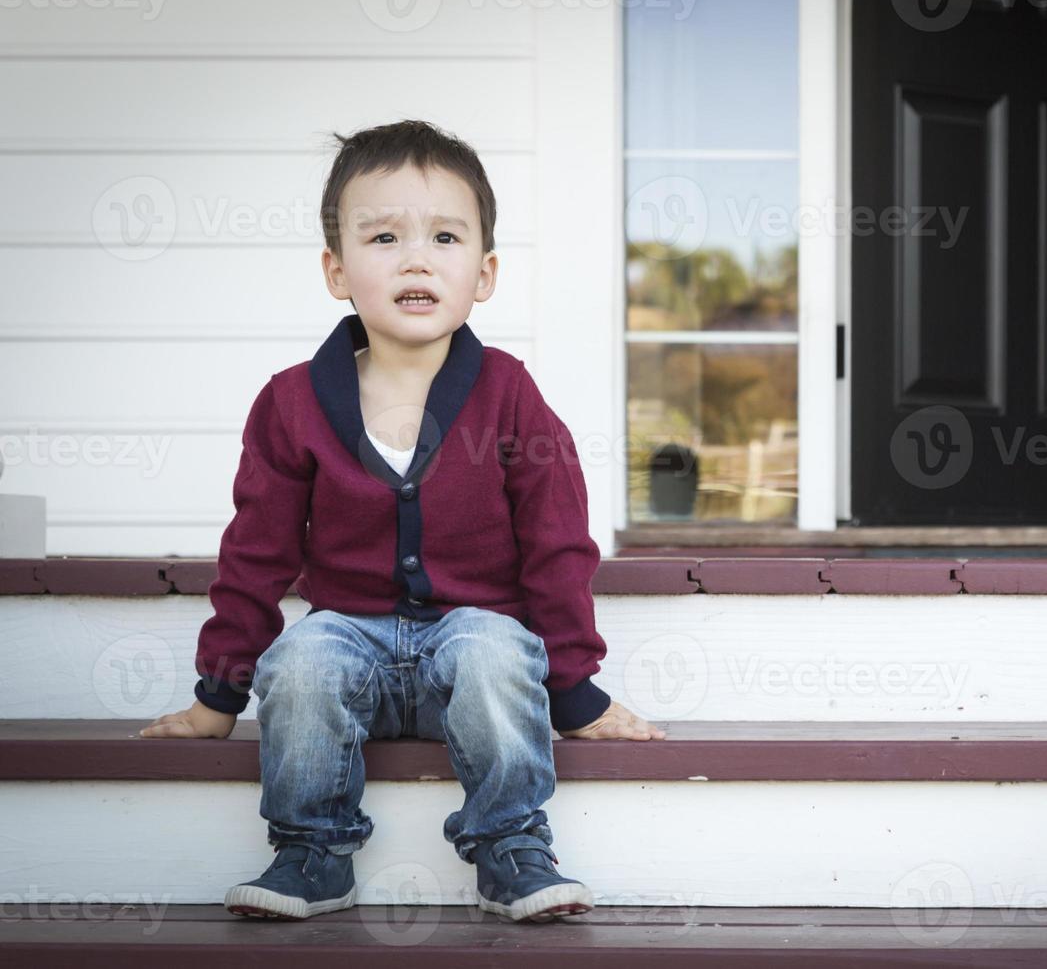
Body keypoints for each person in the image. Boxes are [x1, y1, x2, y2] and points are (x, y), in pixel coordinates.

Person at [141, 119, 664, 924]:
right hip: (351, 639)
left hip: (472, 635)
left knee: (493, 649)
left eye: (445, 237)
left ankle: (513, 847)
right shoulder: (292, 401)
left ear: (484, 274)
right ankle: (311, 852)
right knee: (302, 658)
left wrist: (575, 690)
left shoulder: (510, 394)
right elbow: (256, 552)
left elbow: (557, 545)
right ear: (336, 269)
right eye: (383, 236)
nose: (416, 258)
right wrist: (220, 692)